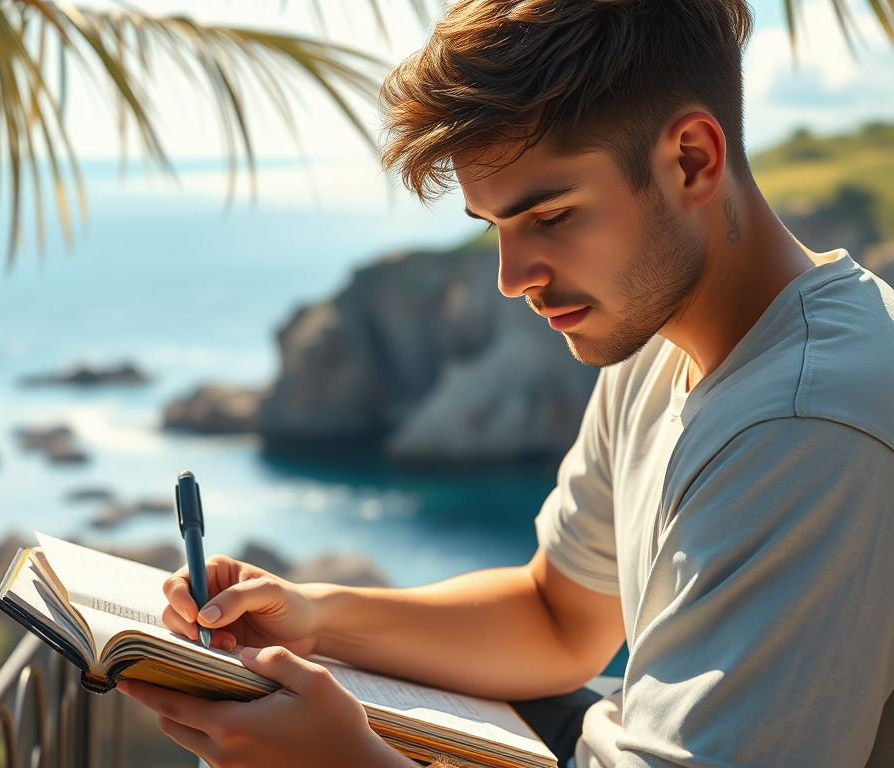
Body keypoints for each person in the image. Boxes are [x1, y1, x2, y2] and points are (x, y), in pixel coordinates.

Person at [118, 0, 894, 765]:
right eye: (495, 227)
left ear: (692, 159)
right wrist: (315, 618)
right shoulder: (661, 340)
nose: (511, 278)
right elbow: (559, 618)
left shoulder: (807, 424)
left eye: (551, 215)